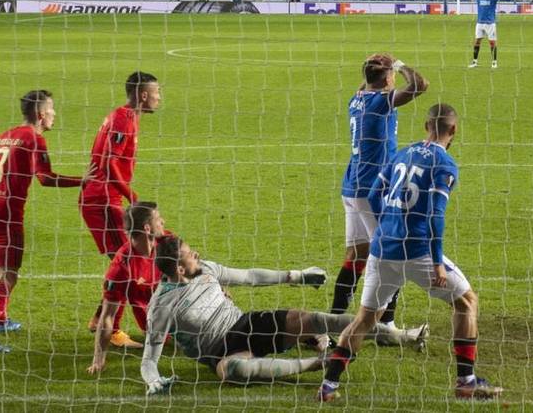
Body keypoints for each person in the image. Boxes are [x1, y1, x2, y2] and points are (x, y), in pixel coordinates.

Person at [318, 104, 502, 402]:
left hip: (382, 248)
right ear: (453, 130)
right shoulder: (445, 164)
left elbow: (375, 194)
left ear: (425, 125)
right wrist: (438, 263)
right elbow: (436, 215)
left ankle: (328, 386)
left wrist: (384, 225)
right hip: (417, 251)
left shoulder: (401, 154)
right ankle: (466, 381)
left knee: (365, 319)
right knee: (467, 302)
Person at [140, 235, 428, 395]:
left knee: (310, 319)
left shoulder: (207, 269)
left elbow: (249, 276)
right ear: (178, 269)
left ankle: (403, 335)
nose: (197, 255)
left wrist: (297, 276)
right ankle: (317, 363)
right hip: (219, 351)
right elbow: (149, 360)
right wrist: (153, 380)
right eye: (191, 254)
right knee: (232, 372)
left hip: (244, 324)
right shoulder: (162, 306)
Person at [0, 90, 91, 352]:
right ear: (41, 114)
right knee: (8, 277)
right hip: (6, 217)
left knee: (2, 271)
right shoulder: (34, 139)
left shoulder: (1, 137)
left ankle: (1, 319)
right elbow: (45, 178)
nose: (55, 114)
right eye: (52, 110)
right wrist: (84, 180)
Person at [333, 54, 428, 327]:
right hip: (373, 189)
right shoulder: (380, 101)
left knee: (357, 254)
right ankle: (385, 322)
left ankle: (333, 319)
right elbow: (421, 85)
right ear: (386, 78)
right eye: (391, 75)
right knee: (392, 251)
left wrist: (372, 68)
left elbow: (367, 83)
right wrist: (398, 64)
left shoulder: (357, 99)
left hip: (352, 186)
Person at [80, 72, 161, 348]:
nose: (160, 97)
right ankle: (113, 331)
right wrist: (132, 197)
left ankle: (98, 319)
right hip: (102, 200)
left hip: (104, 198)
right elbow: (108, 163)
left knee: (125, 260)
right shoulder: (124, 119)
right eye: (157, 92)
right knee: (128, 263)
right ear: (143, 95)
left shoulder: (124, 116)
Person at [87, 202, 167, 372]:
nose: (163, 222)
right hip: (156, 323)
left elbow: (193, 264)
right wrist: (98, 360)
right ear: (147, 228)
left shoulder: (166, 241)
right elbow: (107, 316)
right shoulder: (121, 268)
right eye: (159, 219)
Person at [467, 0, 501, 69]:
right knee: (477, 41)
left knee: (492, 43)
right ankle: (474, 62)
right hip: (479, 23)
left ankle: (494, 62)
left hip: (490, 23)